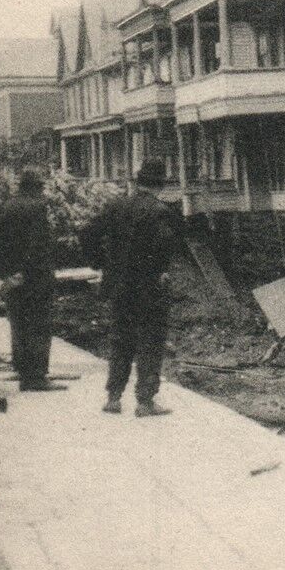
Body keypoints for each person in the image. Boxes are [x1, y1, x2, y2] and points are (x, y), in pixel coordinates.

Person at [91, 157, 181, 416]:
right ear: (160, 186)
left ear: (138, 182)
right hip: (149, 287)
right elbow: (164, 244)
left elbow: (88, 233)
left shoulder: (116, 206)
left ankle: (114, 397)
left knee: (120, 339)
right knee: (150, 341)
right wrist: (161, 269)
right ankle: (144, 401)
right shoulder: (160, 212)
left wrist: (101, 263)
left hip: (120, 286)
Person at [0, 167, 61, 392]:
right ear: (37, 186)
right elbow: (38, 244)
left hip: (14, 276)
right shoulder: (38, 207)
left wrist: (8, 273)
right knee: (39, 324)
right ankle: (37, 377)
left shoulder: (8, 206)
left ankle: (22, 370)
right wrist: (31, 270)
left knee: (19, 323)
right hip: (35, 276)